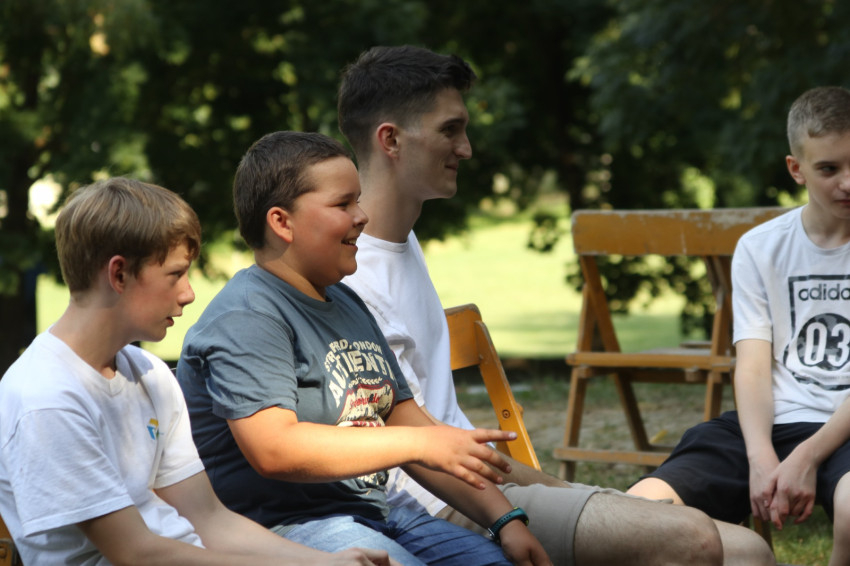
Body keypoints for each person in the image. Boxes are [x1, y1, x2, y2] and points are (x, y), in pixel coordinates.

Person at [337, 45, 775, 566]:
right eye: (450, 130)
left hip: (485, 479)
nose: (467, 149)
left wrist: (561, 488)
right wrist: (522, 507)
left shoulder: (401, 242)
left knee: (748, 551)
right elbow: (415, 454)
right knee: (693, 539)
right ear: (390, 140)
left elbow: (455, 428)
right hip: (442, 506)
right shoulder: (355, 275)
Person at [176, 131, 551, 566]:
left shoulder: (345, 302)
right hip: (285, 529)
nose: (362, 216)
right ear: (282, 222)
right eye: (343, 204)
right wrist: (416, 443)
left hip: (378, 514)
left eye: (358, 200)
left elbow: (408, 422)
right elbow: (274, 449)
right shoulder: (248, 317)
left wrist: (506, 520)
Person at [0, 177, 390, 566]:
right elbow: (137, 554)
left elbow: (209, 519)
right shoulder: (47, 399)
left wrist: (327, 560)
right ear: (118, 274)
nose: (188, 294)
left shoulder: (148, 373)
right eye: (175, 274)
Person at [628, 86, 850, 565]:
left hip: (845, 425)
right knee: (640, 511)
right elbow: (751, 365)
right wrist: (760, 456)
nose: (847, 183)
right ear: (796, 169)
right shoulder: (760, 246)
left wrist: (807, 457)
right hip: (774, 422)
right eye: (829, 168)